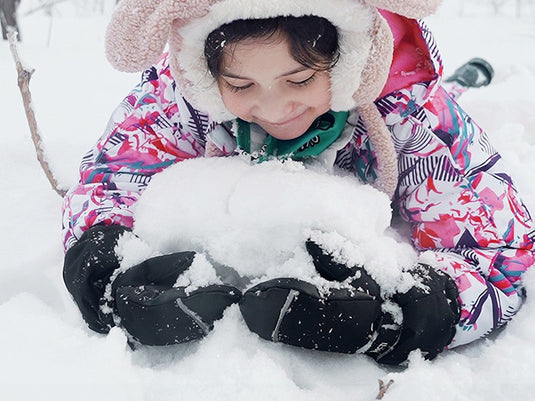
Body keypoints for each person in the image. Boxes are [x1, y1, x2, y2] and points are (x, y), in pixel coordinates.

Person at [62, 0, 534, 366]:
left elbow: (499, 248)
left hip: (400, 100)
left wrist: (399, 314)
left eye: (301, 78)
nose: (274, 108)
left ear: (348, 60)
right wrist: (108, 276)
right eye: (242, 86)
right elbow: (110, 181)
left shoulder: (408, 111)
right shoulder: (182, 96)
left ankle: (465, 80)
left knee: (453, 93)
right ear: (206, 75)